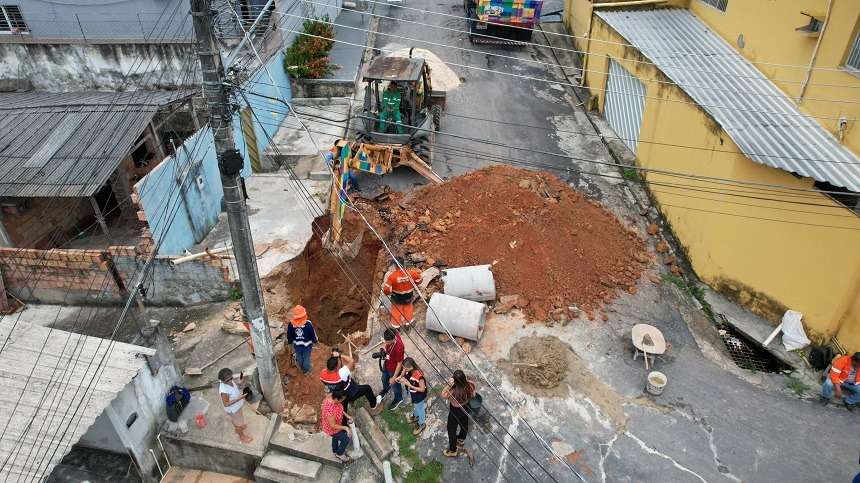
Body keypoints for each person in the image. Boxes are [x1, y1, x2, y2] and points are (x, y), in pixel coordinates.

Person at [320, 349, 383, 416]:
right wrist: (339, 355)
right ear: (336, 368)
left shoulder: (322, 374)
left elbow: (326, 383)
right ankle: (374, 405)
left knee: (344, 406)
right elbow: (351, 361)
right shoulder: (341, 374)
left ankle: (344, 421)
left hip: (338, 394)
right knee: (367, 388)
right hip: (349, 392)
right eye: (339, 364)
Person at [441, 370, 476, 457]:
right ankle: (461, 439)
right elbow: (474, 395)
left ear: (454, 380)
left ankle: (453, 450)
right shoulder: (470, 385)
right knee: (464, 423)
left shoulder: (452, 390)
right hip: (466, 407)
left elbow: (443, 395)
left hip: (455, 410)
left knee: (451, 429)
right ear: (464, 378)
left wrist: (448, 385)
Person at [382, 260, 423, 329]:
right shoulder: (411, 273)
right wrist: (414, 283)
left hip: (397, 298)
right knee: (408, 308)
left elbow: (386, 289)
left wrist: (389, 292)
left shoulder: (392, 276)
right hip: (408, 296)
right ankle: (408, 323)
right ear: (403, 264)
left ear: (395, 266)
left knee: (396, 311)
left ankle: (396, 326)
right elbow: (420, 279)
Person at [218, 368, 253, 444]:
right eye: (228, 380)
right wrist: (239, 398)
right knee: (238, 424)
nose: (230, 381)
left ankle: (239, 426)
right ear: (223, 381)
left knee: (238, 421)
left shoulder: (229, 381)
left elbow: (233, 383)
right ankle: (242, 436)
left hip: (237, 406)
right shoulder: (224, 391)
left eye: (231, 378)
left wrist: (239, 381)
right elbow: (226, 403)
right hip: (233, 410)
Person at [320, 389, 353, 463]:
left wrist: (347, 415)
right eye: (342, 399)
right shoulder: (330, 411)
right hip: (331, 428)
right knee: (346, 439)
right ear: (337, 399)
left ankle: (335, 450)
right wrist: (346, 428)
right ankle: (339, 454)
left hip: (335, 424)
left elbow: (340, 407)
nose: (343, 401)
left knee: (335, 437)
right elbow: (333, 425)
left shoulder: (331, 396)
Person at [398, 357, 428, 435]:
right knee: (416, 406)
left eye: (405, 368)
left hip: (419, 395)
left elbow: (422, 389)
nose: (404, 370)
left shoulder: (419, 376)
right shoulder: (410, 371)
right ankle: (416, 416)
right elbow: (404, 375)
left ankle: (422, 423)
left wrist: (409, 385)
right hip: (414, 393)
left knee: (420, 408)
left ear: (411, 367)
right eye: (403, 368)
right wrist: (401, 375)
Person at [286, 305, 318, 375]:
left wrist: (290, 342)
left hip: (297, 345)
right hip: (307, 345)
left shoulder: (291, 324)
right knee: (306, 358)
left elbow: (289, 335)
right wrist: (315, 341)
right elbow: (312, 334)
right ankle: (307, 370)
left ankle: (302, 367)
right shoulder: (308, 324)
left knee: (299, 357)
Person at [379, 328, 405, 410]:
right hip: (387, 363)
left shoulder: (399, 347)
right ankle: (386, 389)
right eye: (385, 340)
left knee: (394, 384)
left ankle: (399, 398)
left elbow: (399, 363)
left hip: (394, 369)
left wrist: (394, 377)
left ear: (393, 339)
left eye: (387, 341)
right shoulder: (392, 333)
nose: (386, 343)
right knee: (383, 378)